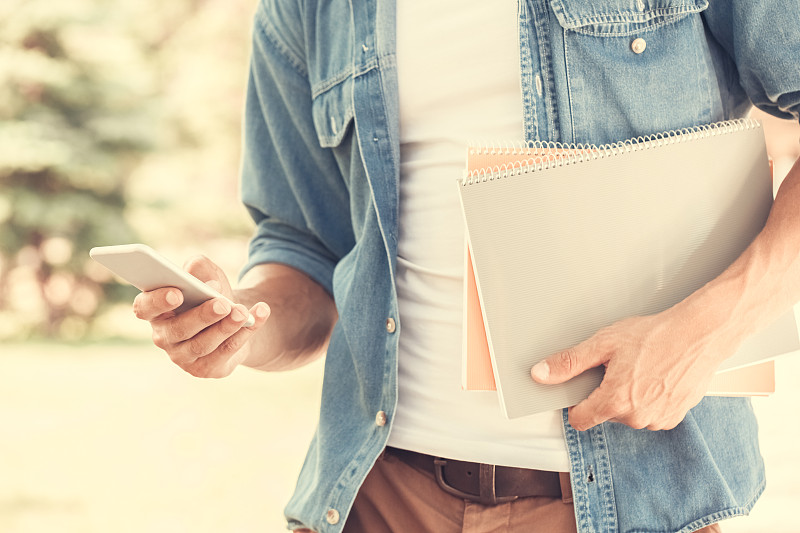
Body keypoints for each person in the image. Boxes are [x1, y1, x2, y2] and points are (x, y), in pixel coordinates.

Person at [132, 1, 800, 532]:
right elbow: (305, 248)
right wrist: (243, 327)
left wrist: (703, 333)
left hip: (632, 497)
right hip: (378, 494)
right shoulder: (311, 9)